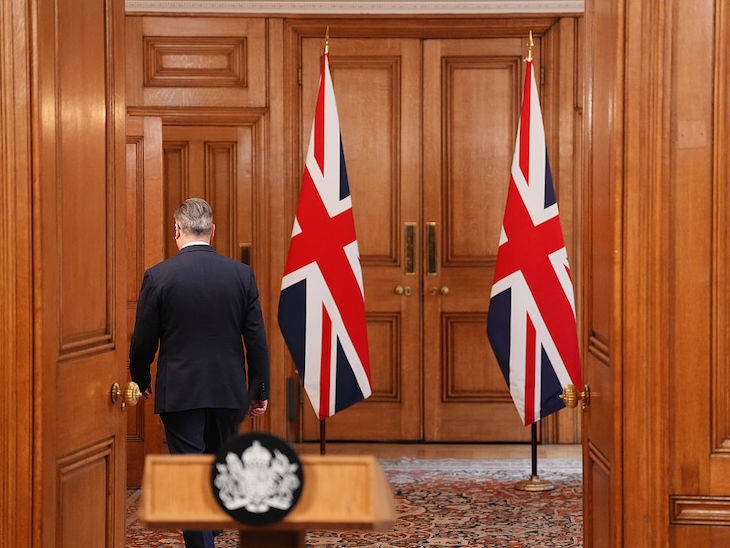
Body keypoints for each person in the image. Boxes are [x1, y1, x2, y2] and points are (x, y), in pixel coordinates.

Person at [129, 198, 270, 548]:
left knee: (189, 474)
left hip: (180, 392)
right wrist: (259, 390)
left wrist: (140, 378)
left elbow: (143, 339)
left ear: (177, 230)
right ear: (212, 231)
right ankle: (210, 531)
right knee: (220, 467)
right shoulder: (241, 275)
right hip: (228, 390)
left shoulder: (158, 276)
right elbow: (256, 339)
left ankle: (204, 538)